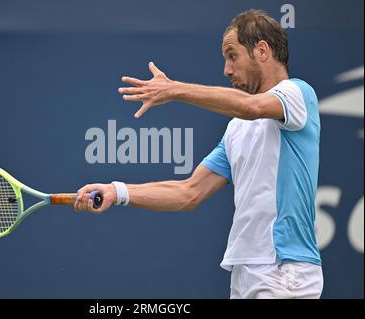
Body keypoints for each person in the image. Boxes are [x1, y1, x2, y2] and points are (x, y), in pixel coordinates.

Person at [74, 9, 323, 299]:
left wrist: (175, 90)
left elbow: (252, 107)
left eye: (233, 56)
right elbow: (188, 192)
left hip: (284, 271)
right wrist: (117, 191)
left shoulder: (297, 94)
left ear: (262, 51)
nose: (226, 70)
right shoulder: (235, 130)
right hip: (245, 272)